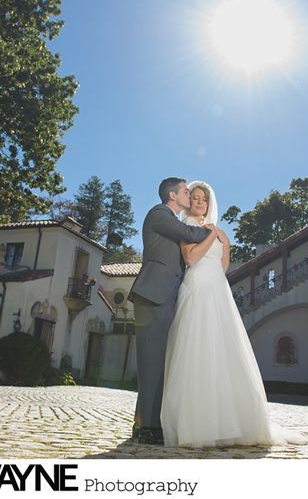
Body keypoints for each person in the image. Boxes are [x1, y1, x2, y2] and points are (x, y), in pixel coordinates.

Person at [160, 181, 305, 447]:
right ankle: (196, 425)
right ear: (189, 201)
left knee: (223, 351)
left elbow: (221, 267)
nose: (199, 202)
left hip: (218, 288)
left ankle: (228, 423)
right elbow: (191, 259)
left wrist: (225, 245)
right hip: (198, 287)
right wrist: (210, 237)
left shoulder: (214, 229)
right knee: (198, 349)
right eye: (195, 197)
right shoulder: (187, 226)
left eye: (203, 198)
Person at [128, 178, 211, 445]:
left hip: (164, 298)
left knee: (157, 362)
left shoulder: (169, 218)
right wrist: (212, 231)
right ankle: (150, 428)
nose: (189, 195)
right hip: (152, 296)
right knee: (152, 362)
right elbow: (191, 235)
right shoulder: (160, 214)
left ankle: (142, 424)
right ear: (173, 195)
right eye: (186, 192)